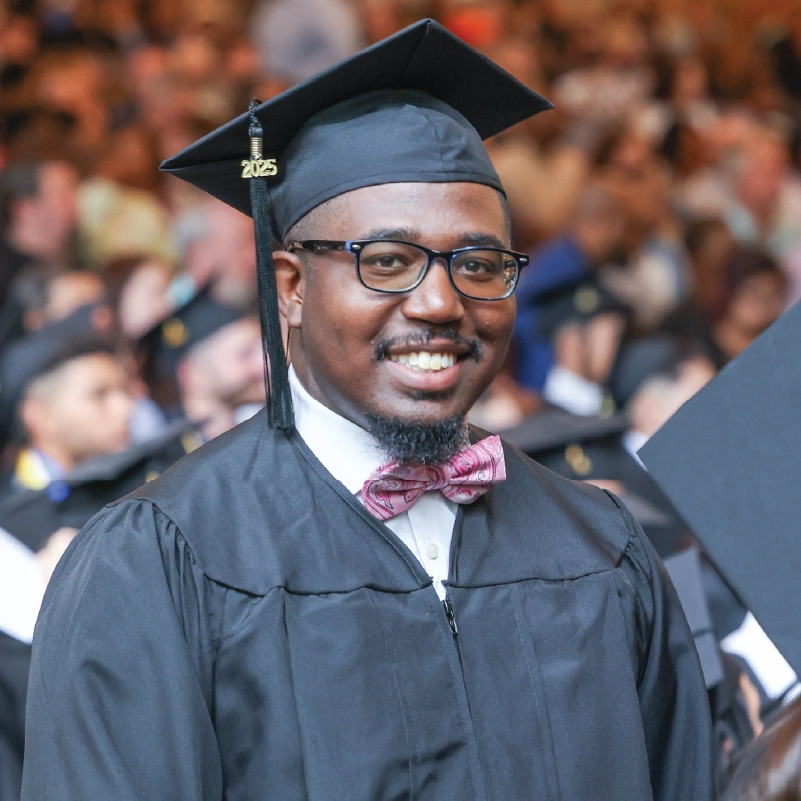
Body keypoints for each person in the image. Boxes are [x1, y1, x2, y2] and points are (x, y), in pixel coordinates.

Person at [22, 21, 714, 801]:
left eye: (478, 264)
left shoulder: (599, 545)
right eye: (387, 261)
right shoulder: (161, 561)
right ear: (289, 285)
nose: (439, 301)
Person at [138, 290, 266, 443]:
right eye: (245, 355)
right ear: (192, 375)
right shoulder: (171, 461)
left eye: (263, 349)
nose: (264, 365)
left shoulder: (265, 439)